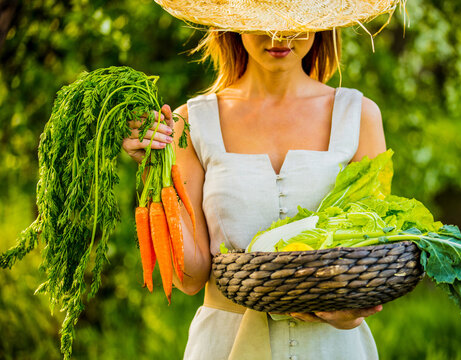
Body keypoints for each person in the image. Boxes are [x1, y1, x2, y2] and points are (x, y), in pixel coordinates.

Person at [123, 2, 395, 358]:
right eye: (263, 19)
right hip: (225, 346)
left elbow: (372, 255)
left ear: (320, 21)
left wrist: (350, 312)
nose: (279, 34)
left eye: (294, 18)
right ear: (234, 20)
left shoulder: (358, 115)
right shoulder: (191, 122)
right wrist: (155, 172)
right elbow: (190, 278)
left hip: (331, 346)